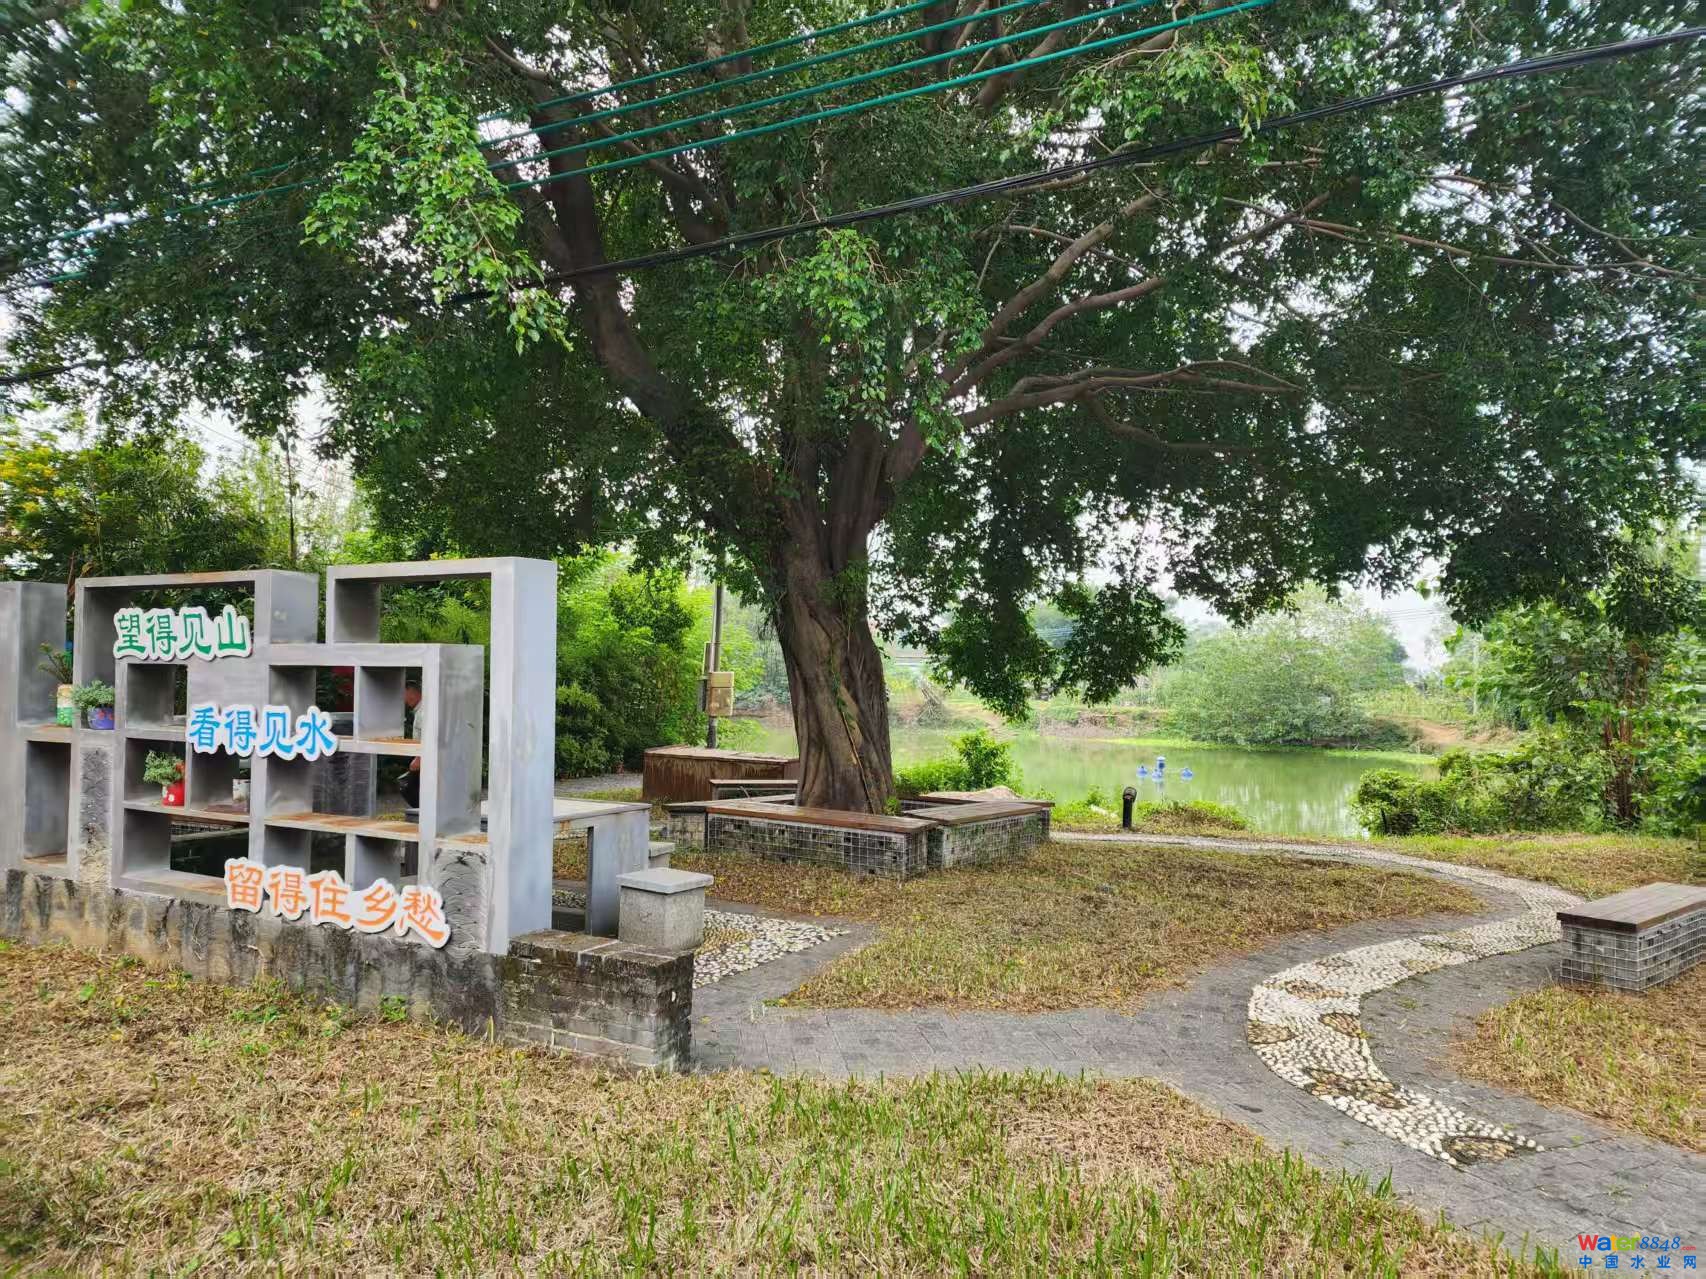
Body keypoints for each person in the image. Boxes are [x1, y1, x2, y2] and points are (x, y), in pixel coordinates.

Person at [397, 680, 424, 809]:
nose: (404, 700)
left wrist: (419, 758)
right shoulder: (420, 710)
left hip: (425, 759)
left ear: (411, 692)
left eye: (404, 694)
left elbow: (427, 736)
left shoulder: (423, 712)